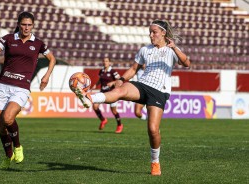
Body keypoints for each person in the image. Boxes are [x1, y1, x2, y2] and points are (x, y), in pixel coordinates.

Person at [74, 19, 190, 176]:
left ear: (163, 33)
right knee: (120, 91)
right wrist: (121, 80)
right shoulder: (144, 50)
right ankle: (89, 98)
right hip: (142, 85)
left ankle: (155, 162)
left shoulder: (171, 51)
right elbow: (134, 68)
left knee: (153, 130)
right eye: (150, 32)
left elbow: (186, 63)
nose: (151, 35)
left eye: (154, 32)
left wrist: (174, 47)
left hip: (159, 91)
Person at [0, 12, 56, 169]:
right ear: (18, 24)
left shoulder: (38, 43)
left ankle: (17, 146)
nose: (26, 27)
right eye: (24, 24)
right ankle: (8, 156)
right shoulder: (9, 39)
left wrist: (46, 76)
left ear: (33, 25)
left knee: (8, 118)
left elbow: (52, 58)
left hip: (21, 87)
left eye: (29, 25)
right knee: (1, 126)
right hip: (3, 85)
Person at [91, 57, 123, 133]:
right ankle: (103, 120)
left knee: (114, 111)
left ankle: (119, 125)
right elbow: (100, 80)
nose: (105, 62)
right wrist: (96, 85)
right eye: (104, 61)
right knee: (95, 106)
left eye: (106, 61)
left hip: (111, 93)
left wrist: (113, 83)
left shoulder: (112, 71)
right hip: (102, 92)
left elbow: (120, 80)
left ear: (109, 63)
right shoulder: (101, 71)